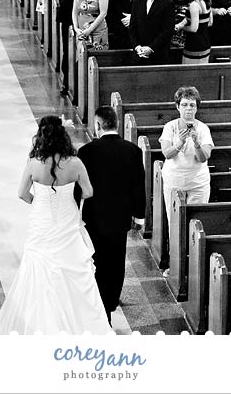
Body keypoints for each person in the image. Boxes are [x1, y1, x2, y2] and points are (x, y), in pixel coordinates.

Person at [0, 115, 110, 334]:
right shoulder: (74, 162)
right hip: (67, 221)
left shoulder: (34, 163)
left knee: (39, 268)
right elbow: (89, 191)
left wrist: (39, 203)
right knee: (73, 268)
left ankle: (42, 324)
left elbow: (21, 194)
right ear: (63, 136)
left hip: (42, 221)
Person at [77, 106, 146, 323]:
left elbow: (79, 188)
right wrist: (139, 216)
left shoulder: (86, 151)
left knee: (97, 258)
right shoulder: (133, 151)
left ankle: (99, 300)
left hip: (94, 217)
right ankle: (113, 299)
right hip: (120, 217)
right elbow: (139, 186)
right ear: (116, 124)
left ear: (98, 125)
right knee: (116, 259)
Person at [157, 86, 214, 270]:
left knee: (195, 227)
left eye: (192, 105)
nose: (188, 109)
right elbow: (167, 153)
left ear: (197, 107)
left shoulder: (203, 129)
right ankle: (176, 268)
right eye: (184, 105)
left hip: (198, 184)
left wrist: (197, 143)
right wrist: (180, 143)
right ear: (177, 106)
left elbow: (203, 157)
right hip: (174, 183)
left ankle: (194, 268)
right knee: (175, 226)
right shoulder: (170, 127)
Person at [129, 0, 175, 64]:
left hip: (158, 54)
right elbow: (132, 27)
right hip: (139, 53)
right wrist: (137, 46)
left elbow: (168, 30)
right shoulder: (138, 0)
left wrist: (151, 48)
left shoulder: (167, 4)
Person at [181, 0, 212, 64]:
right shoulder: (207, 0)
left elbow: (194, 28)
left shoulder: (194, 5)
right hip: (205, 42)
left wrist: (182, 28)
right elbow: (210, 22)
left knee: (189, 75)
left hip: (194, 44)